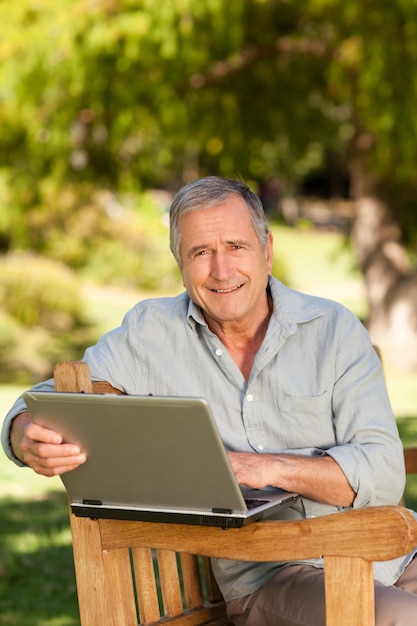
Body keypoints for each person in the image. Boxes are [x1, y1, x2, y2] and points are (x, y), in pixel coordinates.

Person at [2, 175, 417, 625]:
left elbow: (385, 471)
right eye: (201, 252)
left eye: (236, 246)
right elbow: (46, 400)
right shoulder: (150, 333)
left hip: (392, 551)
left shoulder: (333, 329)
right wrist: (24, 432)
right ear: (180, 263)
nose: (222, 271)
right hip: (280, 572)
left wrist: (269, 468)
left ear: (267, 251)